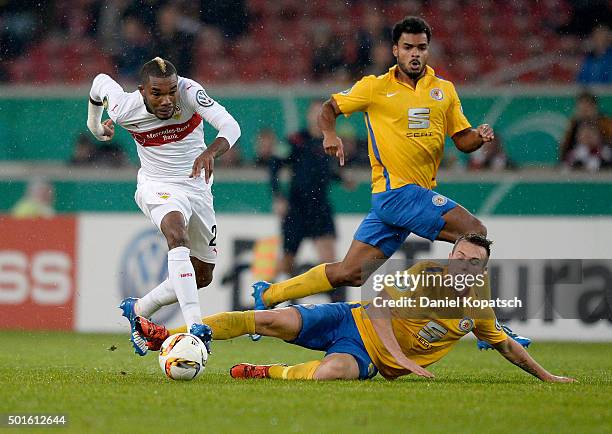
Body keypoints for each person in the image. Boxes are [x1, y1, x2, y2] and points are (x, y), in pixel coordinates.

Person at [251, 17, 503, 352]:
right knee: (474, 232)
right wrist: (329, 134)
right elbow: (329, 108)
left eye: (421, 48)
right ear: (395, 50)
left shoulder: (444, 91)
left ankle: (268, 293)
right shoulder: (374, 87)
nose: (415, 54)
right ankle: (487, 324)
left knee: (350, 273)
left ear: (428, 50)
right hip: (396, 193)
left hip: (408, 199)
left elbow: (462, 140)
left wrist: (479, 137)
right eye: (408, 47)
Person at [135, 234, 574, 383]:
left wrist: (548, 376)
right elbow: (379, 309)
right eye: (457, 256)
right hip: (350, 320)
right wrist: (403, 358)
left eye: (471, 263)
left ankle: (262, 371)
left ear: (481, 270)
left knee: (330, 374)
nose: (460, 265)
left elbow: (507, 347)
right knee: (269, 319)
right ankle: (182, 335)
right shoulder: (425, 272)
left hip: (366, 358)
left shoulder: (478, 309)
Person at [86, 57, 240, 355]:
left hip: (197, 186)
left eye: (171, 91)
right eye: (157, 93)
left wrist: (210, 151)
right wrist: (95, 127)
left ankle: (139, 308)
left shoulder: (190, 91)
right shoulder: (122, 106)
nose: (167, 99)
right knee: (175, 233)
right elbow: (99, 82)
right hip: (158, 186)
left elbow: (230, 126)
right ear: (142, 90)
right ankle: (196, 327)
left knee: (203, 275)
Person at [269, 101, 353, 297]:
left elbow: (322, 171)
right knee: (287, 262)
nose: (318, 118)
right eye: (314, 113)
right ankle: (266, 296)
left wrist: (341, 179)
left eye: (321, 113)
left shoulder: (329, 142)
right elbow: (274, 165)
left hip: (320, 207)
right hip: (297, 207)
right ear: (308, 116)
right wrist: (278, 196)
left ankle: (337, 308)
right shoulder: (296, 140)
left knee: (330, 260)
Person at [559, 91, 612, 163]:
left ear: (594, 107)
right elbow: (564, 151)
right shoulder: (573, 125)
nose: (584, 111)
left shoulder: (605, 123)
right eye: (582, 108)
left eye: (587, 107)